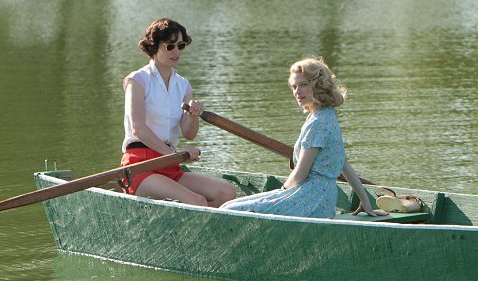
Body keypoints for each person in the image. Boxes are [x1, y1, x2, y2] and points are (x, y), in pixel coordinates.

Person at [221, 57, 387, 219]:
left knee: (229, 209)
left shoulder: (317, 123)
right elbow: (343, 163)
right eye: (294, 86)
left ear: (318, 86)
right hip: (322, 199)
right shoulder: (327, 115)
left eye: (303, 85)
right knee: (230, 207)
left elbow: (300, 174)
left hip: (310, 199)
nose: (297, 92)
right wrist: (365, 200)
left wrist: (282, 190)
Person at [119, 18, 236, 207]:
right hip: (140, 164)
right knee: (196, 200)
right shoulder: (137, 80)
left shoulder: (183, 85)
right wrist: (173, 154)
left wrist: (193, 115)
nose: (177, 51)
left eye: (180, 45)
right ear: (154, 46)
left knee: (227, 193)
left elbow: (189, 133)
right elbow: (138, 128)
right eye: (170, 46)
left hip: (170, 163)